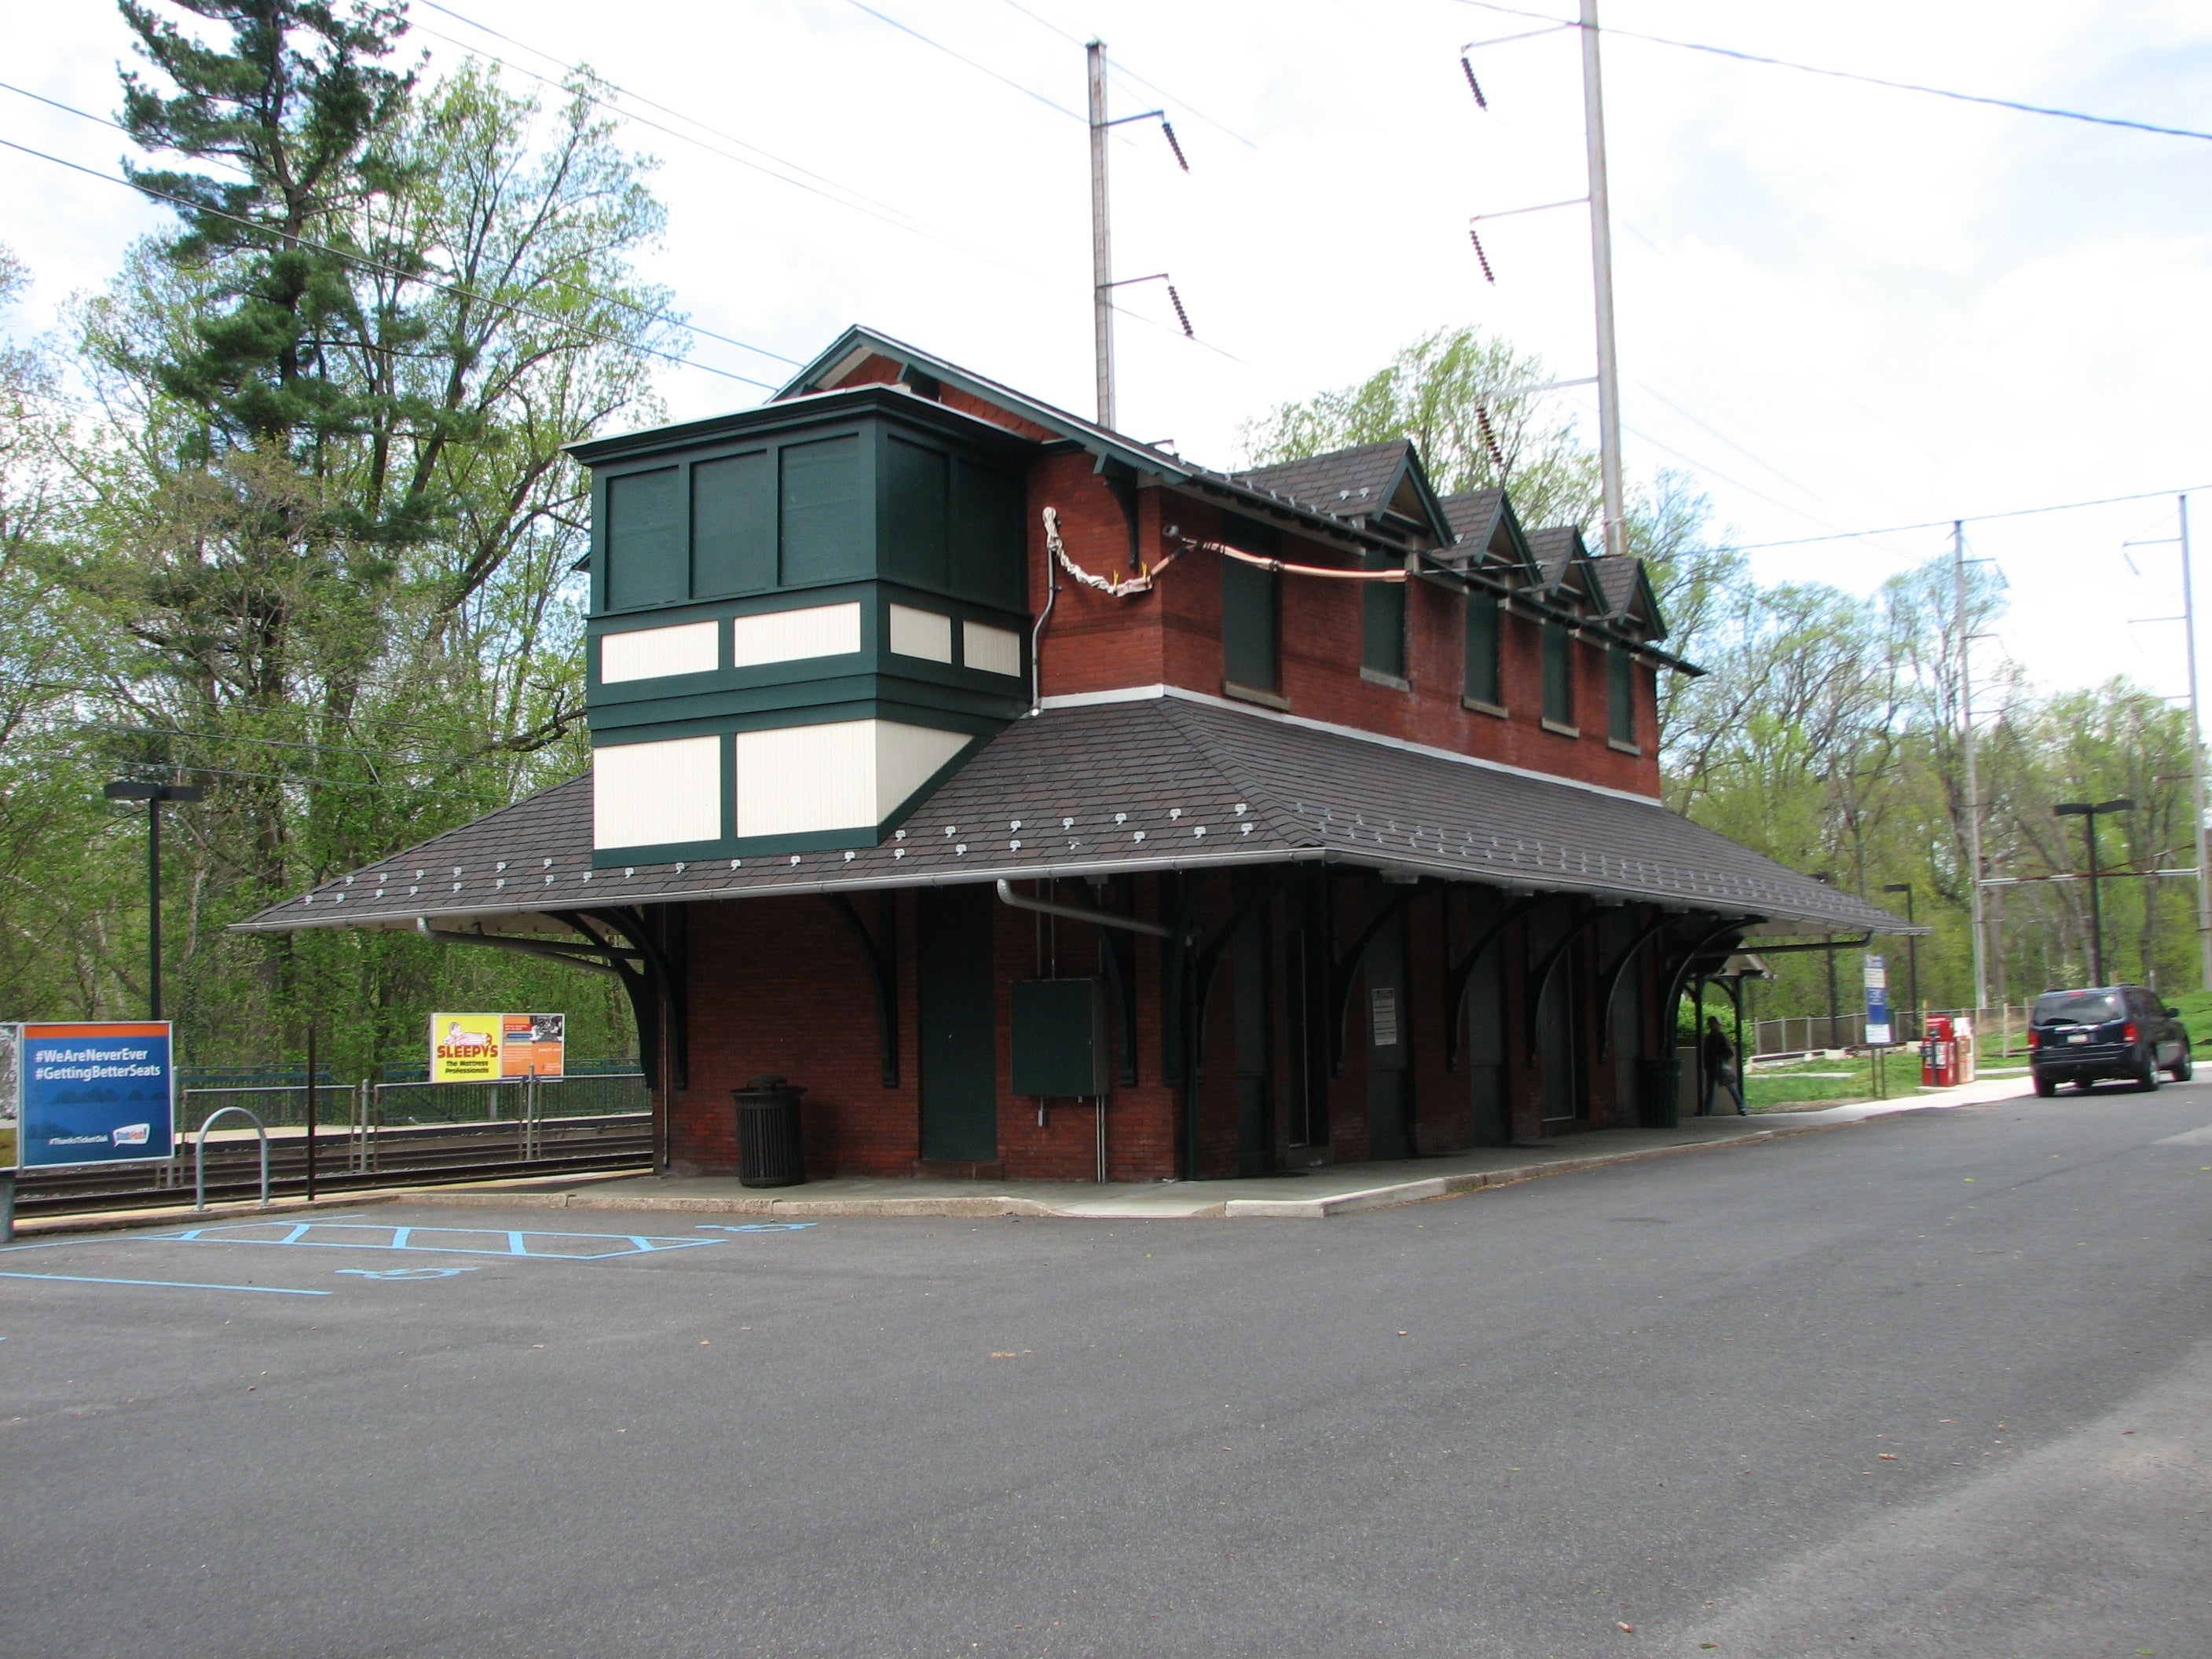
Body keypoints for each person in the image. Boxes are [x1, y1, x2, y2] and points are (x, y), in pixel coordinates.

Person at [1701, 1015, 1746, 1115]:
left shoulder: (1717, 1037)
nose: (1712, 1025)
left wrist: (1720, 1060)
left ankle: (1741, 1107)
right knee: (1715, 1090)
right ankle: (1741, 1107)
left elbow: (1729, 1052)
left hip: (1718, 1066)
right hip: (1714, 1066)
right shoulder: (1712, 1037)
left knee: (1727, 1088)